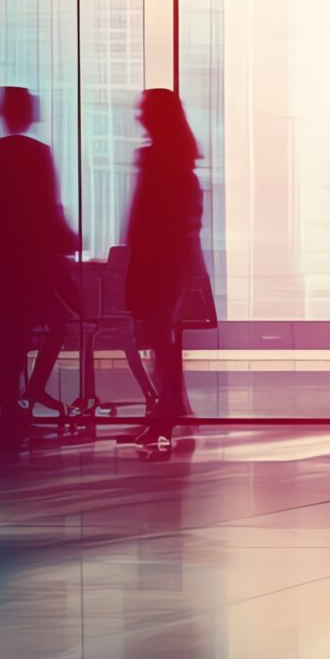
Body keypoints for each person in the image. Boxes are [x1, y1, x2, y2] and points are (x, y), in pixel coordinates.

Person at [0, 87, 77, 444]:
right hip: (25, 264)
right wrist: (67, 241)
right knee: (12, 344)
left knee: (2, 343)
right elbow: (49, 211)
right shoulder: (37, 154)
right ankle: (4, 416)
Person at [121, 88, 205, 447]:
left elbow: (140, 215)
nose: (139, 117)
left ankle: (165, 415)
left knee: (158, 339)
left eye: (144, 111)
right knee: (162, 340)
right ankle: (171, 410)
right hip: (172, 261)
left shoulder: (153, 159)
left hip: (154, 261)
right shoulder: (182, 161)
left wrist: (131, 258)